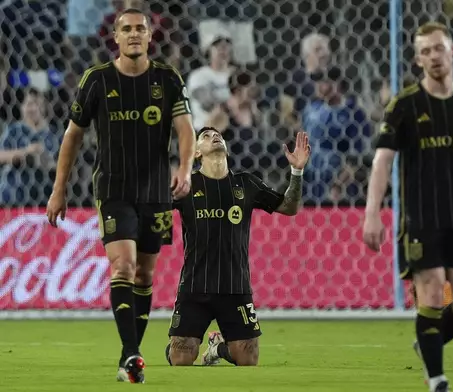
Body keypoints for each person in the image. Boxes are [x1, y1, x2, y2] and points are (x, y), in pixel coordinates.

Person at [45, 8, 196, 384]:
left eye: (139, 29)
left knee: (145, 275)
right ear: (115, 37)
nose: (133, 35)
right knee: (123, 267)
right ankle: (131, 353)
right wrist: (58, 188)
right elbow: (72, 136)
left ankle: (130, 355)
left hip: (156, 192)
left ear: (149, 36)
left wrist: (186, 167)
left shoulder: (167, 79)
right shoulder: (96, 80)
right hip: (113, 189)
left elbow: (185, 129)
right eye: (126, 29)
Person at [362, 22, 453, 392]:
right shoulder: (405, 105)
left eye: (438, 48)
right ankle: (437, 379)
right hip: (421, 218)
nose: (432, 57)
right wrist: (372, 213)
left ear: (452, 51)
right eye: (424, 51)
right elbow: (382, 162)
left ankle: (428, 342)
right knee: (432, 290)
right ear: (417, 59)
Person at [165, 128, 309, 367]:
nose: (214, 136)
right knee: (182, 357)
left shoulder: (246, 183)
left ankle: (217, 348)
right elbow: (156, 208)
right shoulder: (186, 185)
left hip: (235, 286)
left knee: (248, 358)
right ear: (197, 152)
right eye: (206, 136)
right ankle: (176, 343)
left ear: (227, 149)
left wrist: (297, 171)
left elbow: (289, 207)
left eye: (218, 134)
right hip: (195, 286)